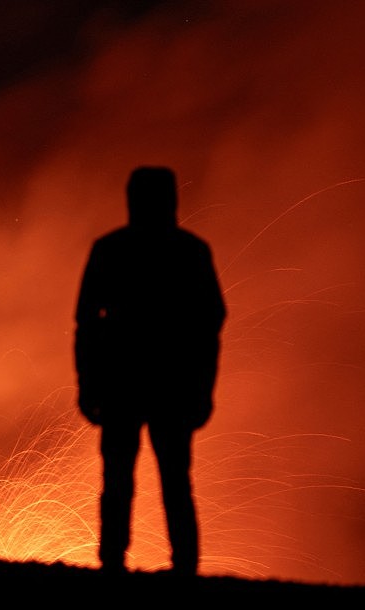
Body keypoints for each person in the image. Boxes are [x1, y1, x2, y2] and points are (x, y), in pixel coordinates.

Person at [74, 166, 226, 576]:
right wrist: (202, 387)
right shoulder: (190, 252)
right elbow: (209, 324)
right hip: (169, 384)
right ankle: (183, 566)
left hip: (125, 382)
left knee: (123, 478)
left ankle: (113, 564)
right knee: (173, 480)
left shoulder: (111, 250)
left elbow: (86, 323)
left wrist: (88, 385)